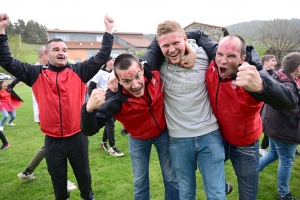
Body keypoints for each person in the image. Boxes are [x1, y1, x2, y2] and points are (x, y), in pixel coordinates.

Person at [140, 28, 298, 199]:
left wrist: (262, 86)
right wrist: (186, 47)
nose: (223, 60)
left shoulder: (249, 77)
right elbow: (197, 34)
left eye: (231, 57)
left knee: (246, 193)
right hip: (218, 137)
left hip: (243, 144)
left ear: (242, 59)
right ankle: (222, 185)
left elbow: (289, 99)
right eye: (220, 55)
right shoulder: (212, 65)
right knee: (206, 182)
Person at [0, 13, 114, 200]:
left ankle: (88, 197)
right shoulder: (34, 73)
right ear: (46, 53)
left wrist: (108, 31)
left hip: (78, 136)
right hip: (53, 141)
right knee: (58, 181)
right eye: (56, 50)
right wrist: (2, 30)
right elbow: (6, 60)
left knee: (84, 178)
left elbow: (102, 56)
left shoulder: (79, 71)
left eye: (64, 49)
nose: (61, 53)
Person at [140, 21, 227, 200]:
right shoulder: (158, 64)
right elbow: (134, 68)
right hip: (178, 140)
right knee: (186, 194)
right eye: (165, 45)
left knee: (217, 193)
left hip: (209, 135)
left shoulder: (204, 55)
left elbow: (232, 60)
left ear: (185, 40)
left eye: (175, 43)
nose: (171, 50)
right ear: (159, 46)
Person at [81, 53, 179, 200]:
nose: (135, 85)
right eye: (126, 81)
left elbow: (161, 38)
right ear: (119, 80)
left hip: (163, 133)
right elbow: (89, 130)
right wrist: (88, 110)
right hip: (138, 138)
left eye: (137, 76)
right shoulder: (114, 99)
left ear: (141, 68)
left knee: (171, 177)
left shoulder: (151, 69)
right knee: (140, 181)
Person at [16, 46, 77, 191]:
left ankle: (27, 172)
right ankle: (62, 179)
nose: (52, 56)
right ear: (41, 56)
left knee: (49, 147)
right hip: (46, 116)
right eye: (47, 53)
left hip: (51, 115)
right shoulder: (36, 71)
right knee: (55, 147)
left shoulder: (51, 69)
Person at [259, 52, 300, 200]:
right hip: (284, 131)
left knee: (273, 153)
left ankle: (251, 174)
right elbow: (293, 112)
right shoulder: (287, 85)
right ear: (298, 68)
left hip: (273, 127)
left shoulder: (278, 77)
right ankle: (283, 193)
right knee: (287, 160)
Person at [88, 56, 124, 157]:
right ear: (107, 62)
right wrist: (93, 100)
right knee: (110, 122)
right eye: (112, 60)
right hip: (103, 100)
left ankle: (103, 143)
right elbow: (91, 86)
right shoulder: (100, 73)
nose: (113, 61)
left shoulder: (113, 72)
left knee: (111, 121)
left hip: (111, 100)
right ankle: (112, 147)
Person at [259, 54, 277, 156]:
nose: (275, 63)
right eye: (273, 60)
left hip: (269, 106)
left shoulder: (275, 75)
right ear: (266, 62)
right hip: (259, 105)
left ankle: (263, 147)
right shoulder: (259, 73)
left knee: (269, 125)